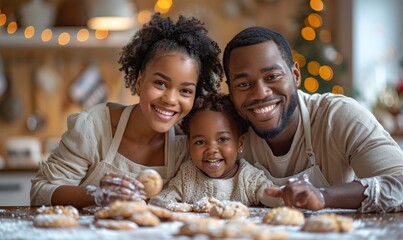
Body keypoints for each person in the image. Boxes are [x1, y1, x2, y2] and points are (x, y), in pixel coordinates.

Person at [30, 13, 223, 208]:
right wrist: (97, 194)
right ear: (139, 83)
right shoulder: (94, 128)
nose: (170, 99)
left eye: (185, 90)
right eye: (160, 83)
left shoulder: (187, 144)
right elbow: (41, 192)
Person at [222, 26, 403, 213]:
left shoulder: (338, 115)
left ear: (296, 75)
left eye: (272, 76)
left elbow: (400, 184)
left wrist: (324, 196)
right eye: (243, 84)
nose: (260, 93)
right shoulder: (226, 130)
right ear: (230, 90)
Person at [149, 93, 280, 209]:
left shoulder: (249, 178)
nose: (211, 149)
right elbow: (160, 202)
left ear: (239, 144)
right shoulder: (187, 176)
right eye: (200, 142)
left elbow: (273, 196)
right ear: (189, 145)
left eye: (222, 139)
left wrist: (283, 197)